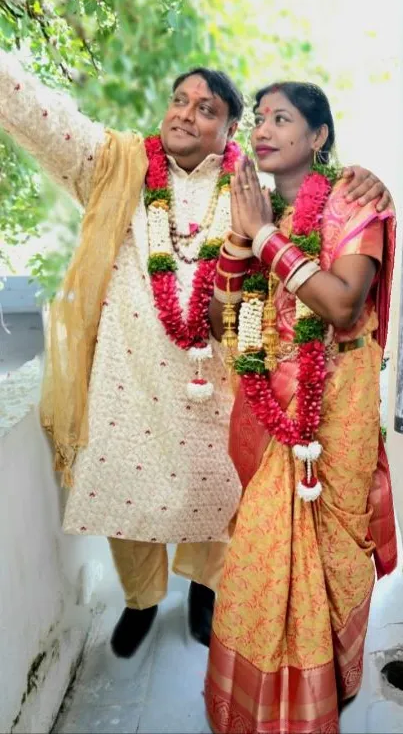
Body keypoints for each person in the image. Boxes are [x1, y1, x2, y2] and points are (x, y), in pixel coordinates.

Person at [0, 54, 392, 662]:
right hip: (127, 377)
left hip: (218, 380)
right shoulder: (118, 167)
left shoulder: (252, 190)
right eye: (179, 100)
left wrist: (367, 180)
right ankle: (140, 600)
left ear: (230, 129)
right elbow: (48, 120)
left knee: (221, 494)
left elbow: (316, 215)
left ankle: (207, 594)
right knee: (123, 495)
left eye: (206, 107)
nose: (185, 113)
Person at [205, 82, 397, 733]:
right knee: (261, 548)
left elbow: (343, 304)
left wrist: (264, 237)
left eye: (281, 118)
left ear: (316, 136)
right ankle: (261, 701)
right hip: (271, 412)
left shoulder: (352, 201)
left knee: (337, 546)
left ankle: (334, 681)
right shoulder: (246, 206)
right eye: (259, 118)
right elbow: (216, 317)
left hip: (336, 405)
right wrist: (242, 238)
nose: (262, 128)